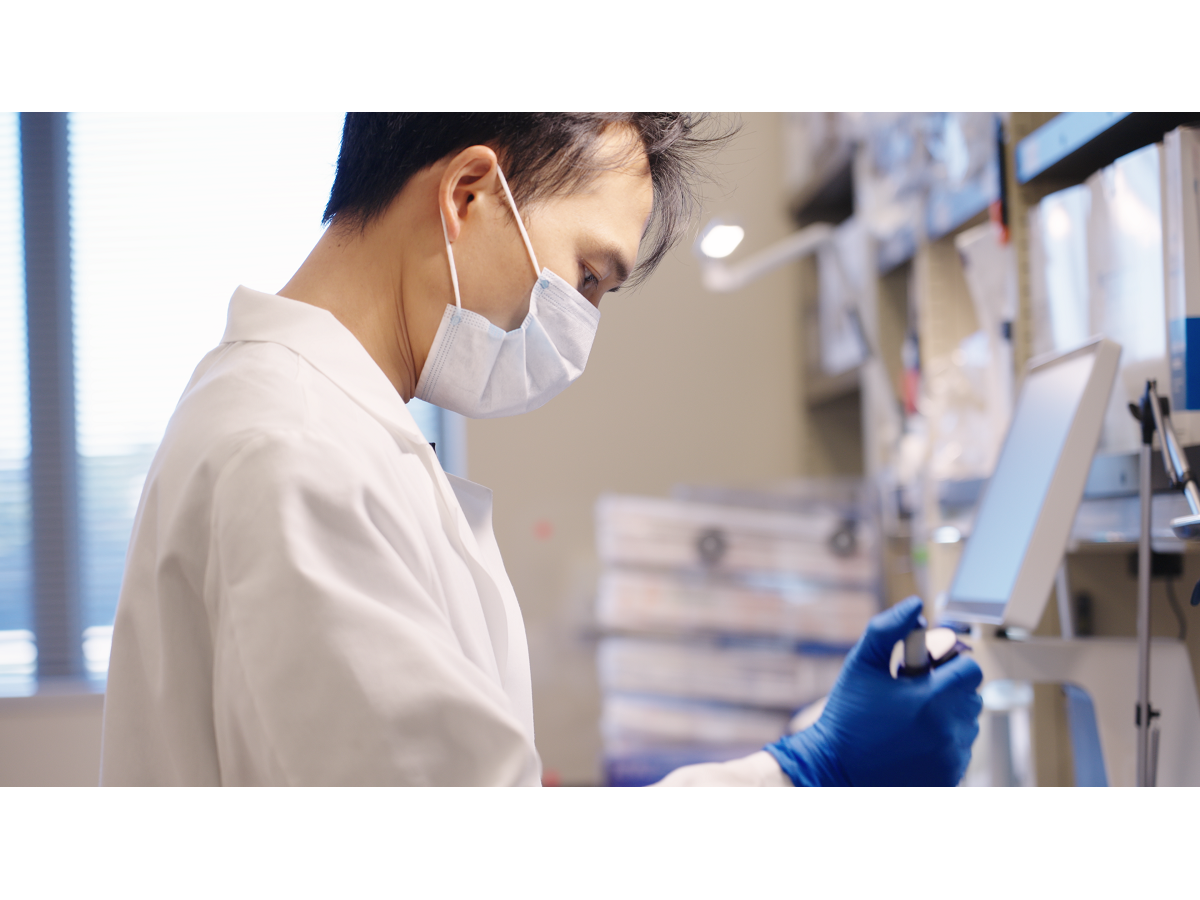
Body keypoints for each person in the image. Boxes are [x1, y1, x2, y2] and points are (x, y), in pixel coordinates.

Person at [100, 113, 981, 786]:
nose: (581, 330)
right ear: (468, 194)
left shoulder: (320, 425)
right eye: (588, 276)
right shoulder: (292, 454)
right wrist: (802, 772)